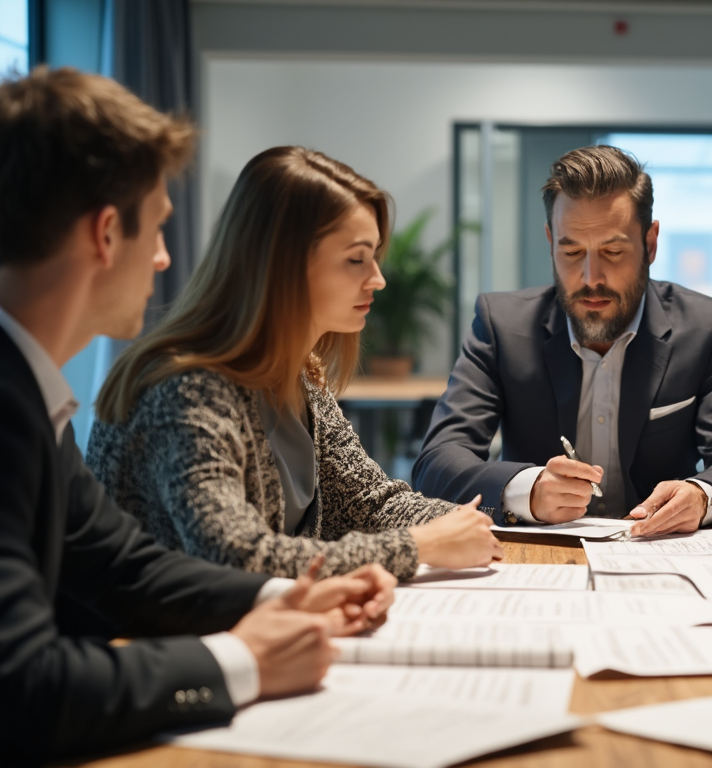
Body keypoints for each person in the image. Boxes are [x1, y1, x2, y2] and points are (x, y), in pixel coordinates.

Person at [0, 67, 397, 763]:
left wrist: (289, 597)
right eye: (157, 229)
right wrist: (240, 663)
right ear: (104, 234)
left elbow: (125, 567)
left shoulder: (29, 393)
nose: (162, 261)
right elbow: (22, 685)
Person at [87, 146, 504, 580]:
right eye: (356, 259)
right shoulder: (186, 391)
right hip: (159, 640)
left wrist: (468, 523)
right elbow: (238, 557)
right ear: (283, 264)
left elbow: (370, 504)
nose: (377, 278)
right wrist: (421, 545)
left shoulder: (299, 373)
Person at [413, 145, 712, 536]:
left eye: (613, 251)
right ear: (551, 242)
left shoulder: (705, 327)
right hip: (537, 555)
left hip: (657, 552)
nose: (590, 277)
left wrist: (701, 494)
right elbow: (437, 462)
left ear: (650, 244)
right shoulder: (502, 326)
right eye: (571, 251)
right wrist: (525, 489)